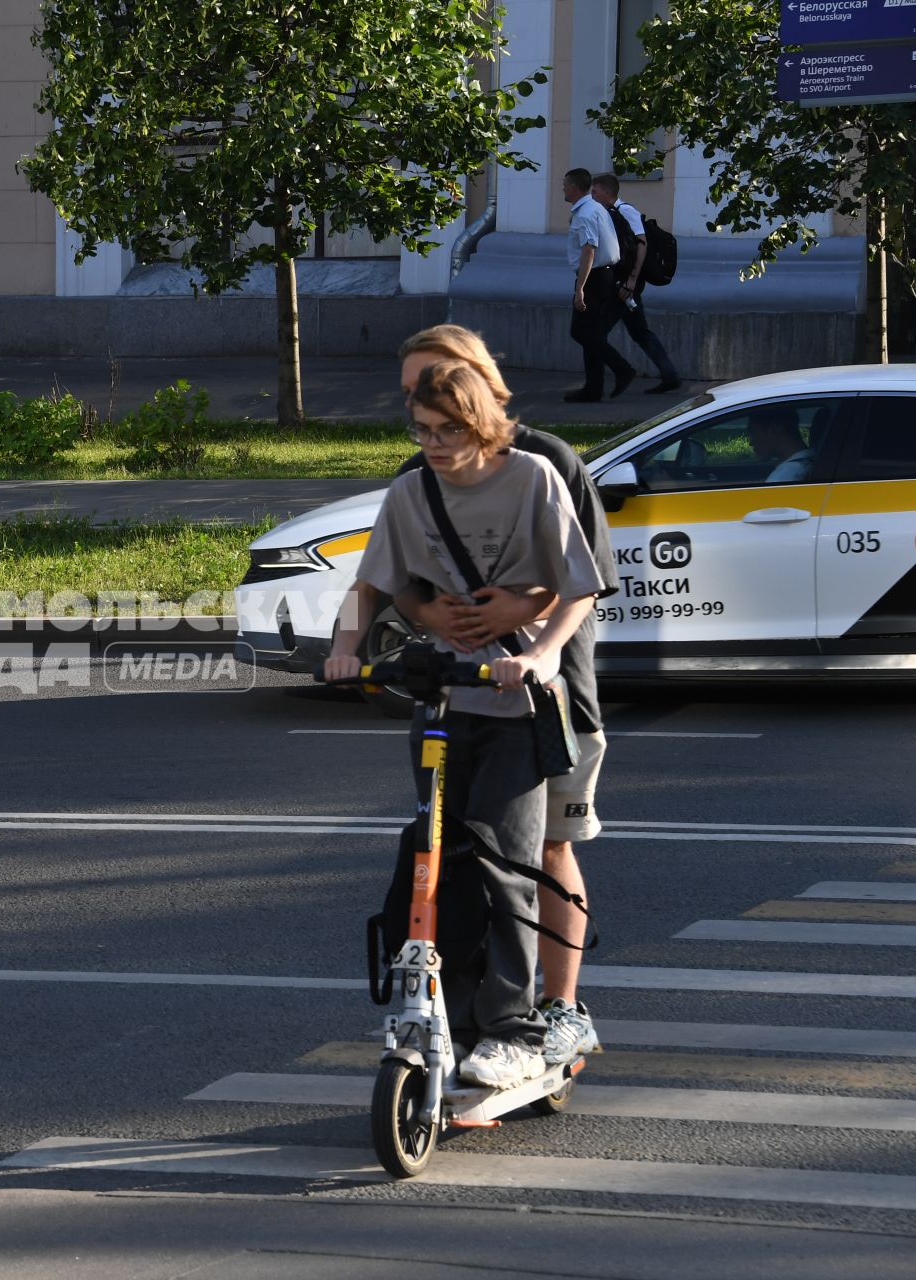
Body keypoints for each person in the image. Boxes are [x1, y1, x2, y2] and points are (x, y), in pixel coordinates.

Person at [328, 361, 609, 1088]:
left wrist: (543, 655)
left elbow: (581, 586)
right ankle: (447, 1013)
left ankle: (514, 1029)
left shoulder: (533, 479)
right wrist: (344, 649)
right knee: (434, 862)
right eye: (423, 431)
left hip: (519, 706)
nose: (436, 445)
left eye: (450, 431)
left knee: (504, 864)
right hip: (447, 706)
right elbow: (373, 586)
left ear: (483, 423)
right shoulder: (410, 492)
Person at [590, 173, 682, 395]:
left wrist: (631, 281)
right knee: (640, 332)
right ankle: (670, 375)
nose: (592, 195)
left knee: (594, 333)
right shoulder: (606, 213)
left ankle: (605, 380)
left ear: (606, 192)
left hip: (626, 283)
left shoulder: (626, 211)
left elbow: (642, 245)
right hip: (620, 282)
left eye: (594, 191)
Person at [560, 167, 635, 404]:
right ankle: (593, 389)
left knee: (581, 332)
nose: (563, 188)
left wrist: (580, 288)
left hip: (594, 278)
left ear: (574, 187)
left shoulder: (585, 213)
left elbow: (589, 250)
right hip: (603, 276)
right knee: (592, 333)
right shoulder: (596, 208)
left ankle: (622, 368)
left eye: (565, 184)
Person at [749, 406, 814, 482]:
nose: (751, 443)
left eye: (753, 433)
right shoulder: (811, 460)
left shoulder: (784, 476)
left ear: (774, 430)